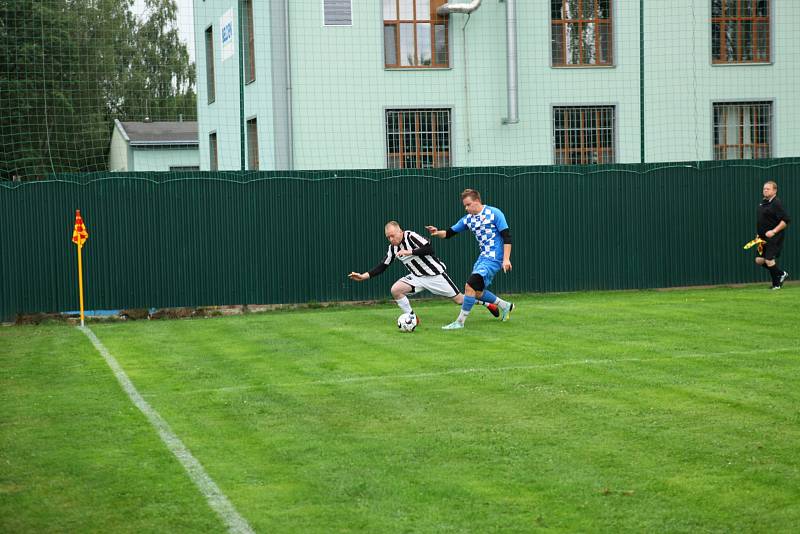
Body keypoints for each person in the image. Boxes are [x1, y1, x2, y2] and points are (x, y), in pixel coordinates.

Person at [348, 221, 500, 320]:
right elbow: (383, 265)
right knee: (395, 290)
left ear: (400, 231)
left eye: (392, 236)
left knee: (460, 300)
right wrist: (363, 276)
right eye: (388, 237)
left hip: (435, 275)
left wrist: (410, 252)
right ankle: (412, 317)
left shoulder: (411, 236)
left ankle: (488, 304)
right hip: (417, 277)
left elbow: (429, 248)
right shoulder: (392, 248)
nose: (391, 239)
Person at [426, 189, 514, 330]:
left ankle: (460, 322)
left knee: (469, 286)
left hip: (494, 258)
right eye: (465, 206)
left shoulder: (494, 213)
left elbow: (507, 237)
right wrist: (437, 232)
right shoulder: (468, 219)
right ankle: (506, 306)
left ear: (477, 201)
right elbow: (449, 233)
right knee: (476, 292)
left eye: (468, 205)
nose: (466, 208)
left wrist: (506, 259)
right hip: (483, 258)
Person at [754, 180, 790, 289]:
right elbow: (763, 220)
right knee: (759, 260)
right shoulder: (763, 202)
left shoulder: (776, 203)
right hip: (762, 238)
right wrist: (758, 234)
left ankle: (776, 285)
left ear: (775, 191)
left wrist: (774, 231)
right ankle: (781, 273)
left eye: (768, 189)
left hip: (774, 237)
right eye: (764, 188)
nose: (765, 190)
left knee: (769, 259)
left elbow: (785, 221)